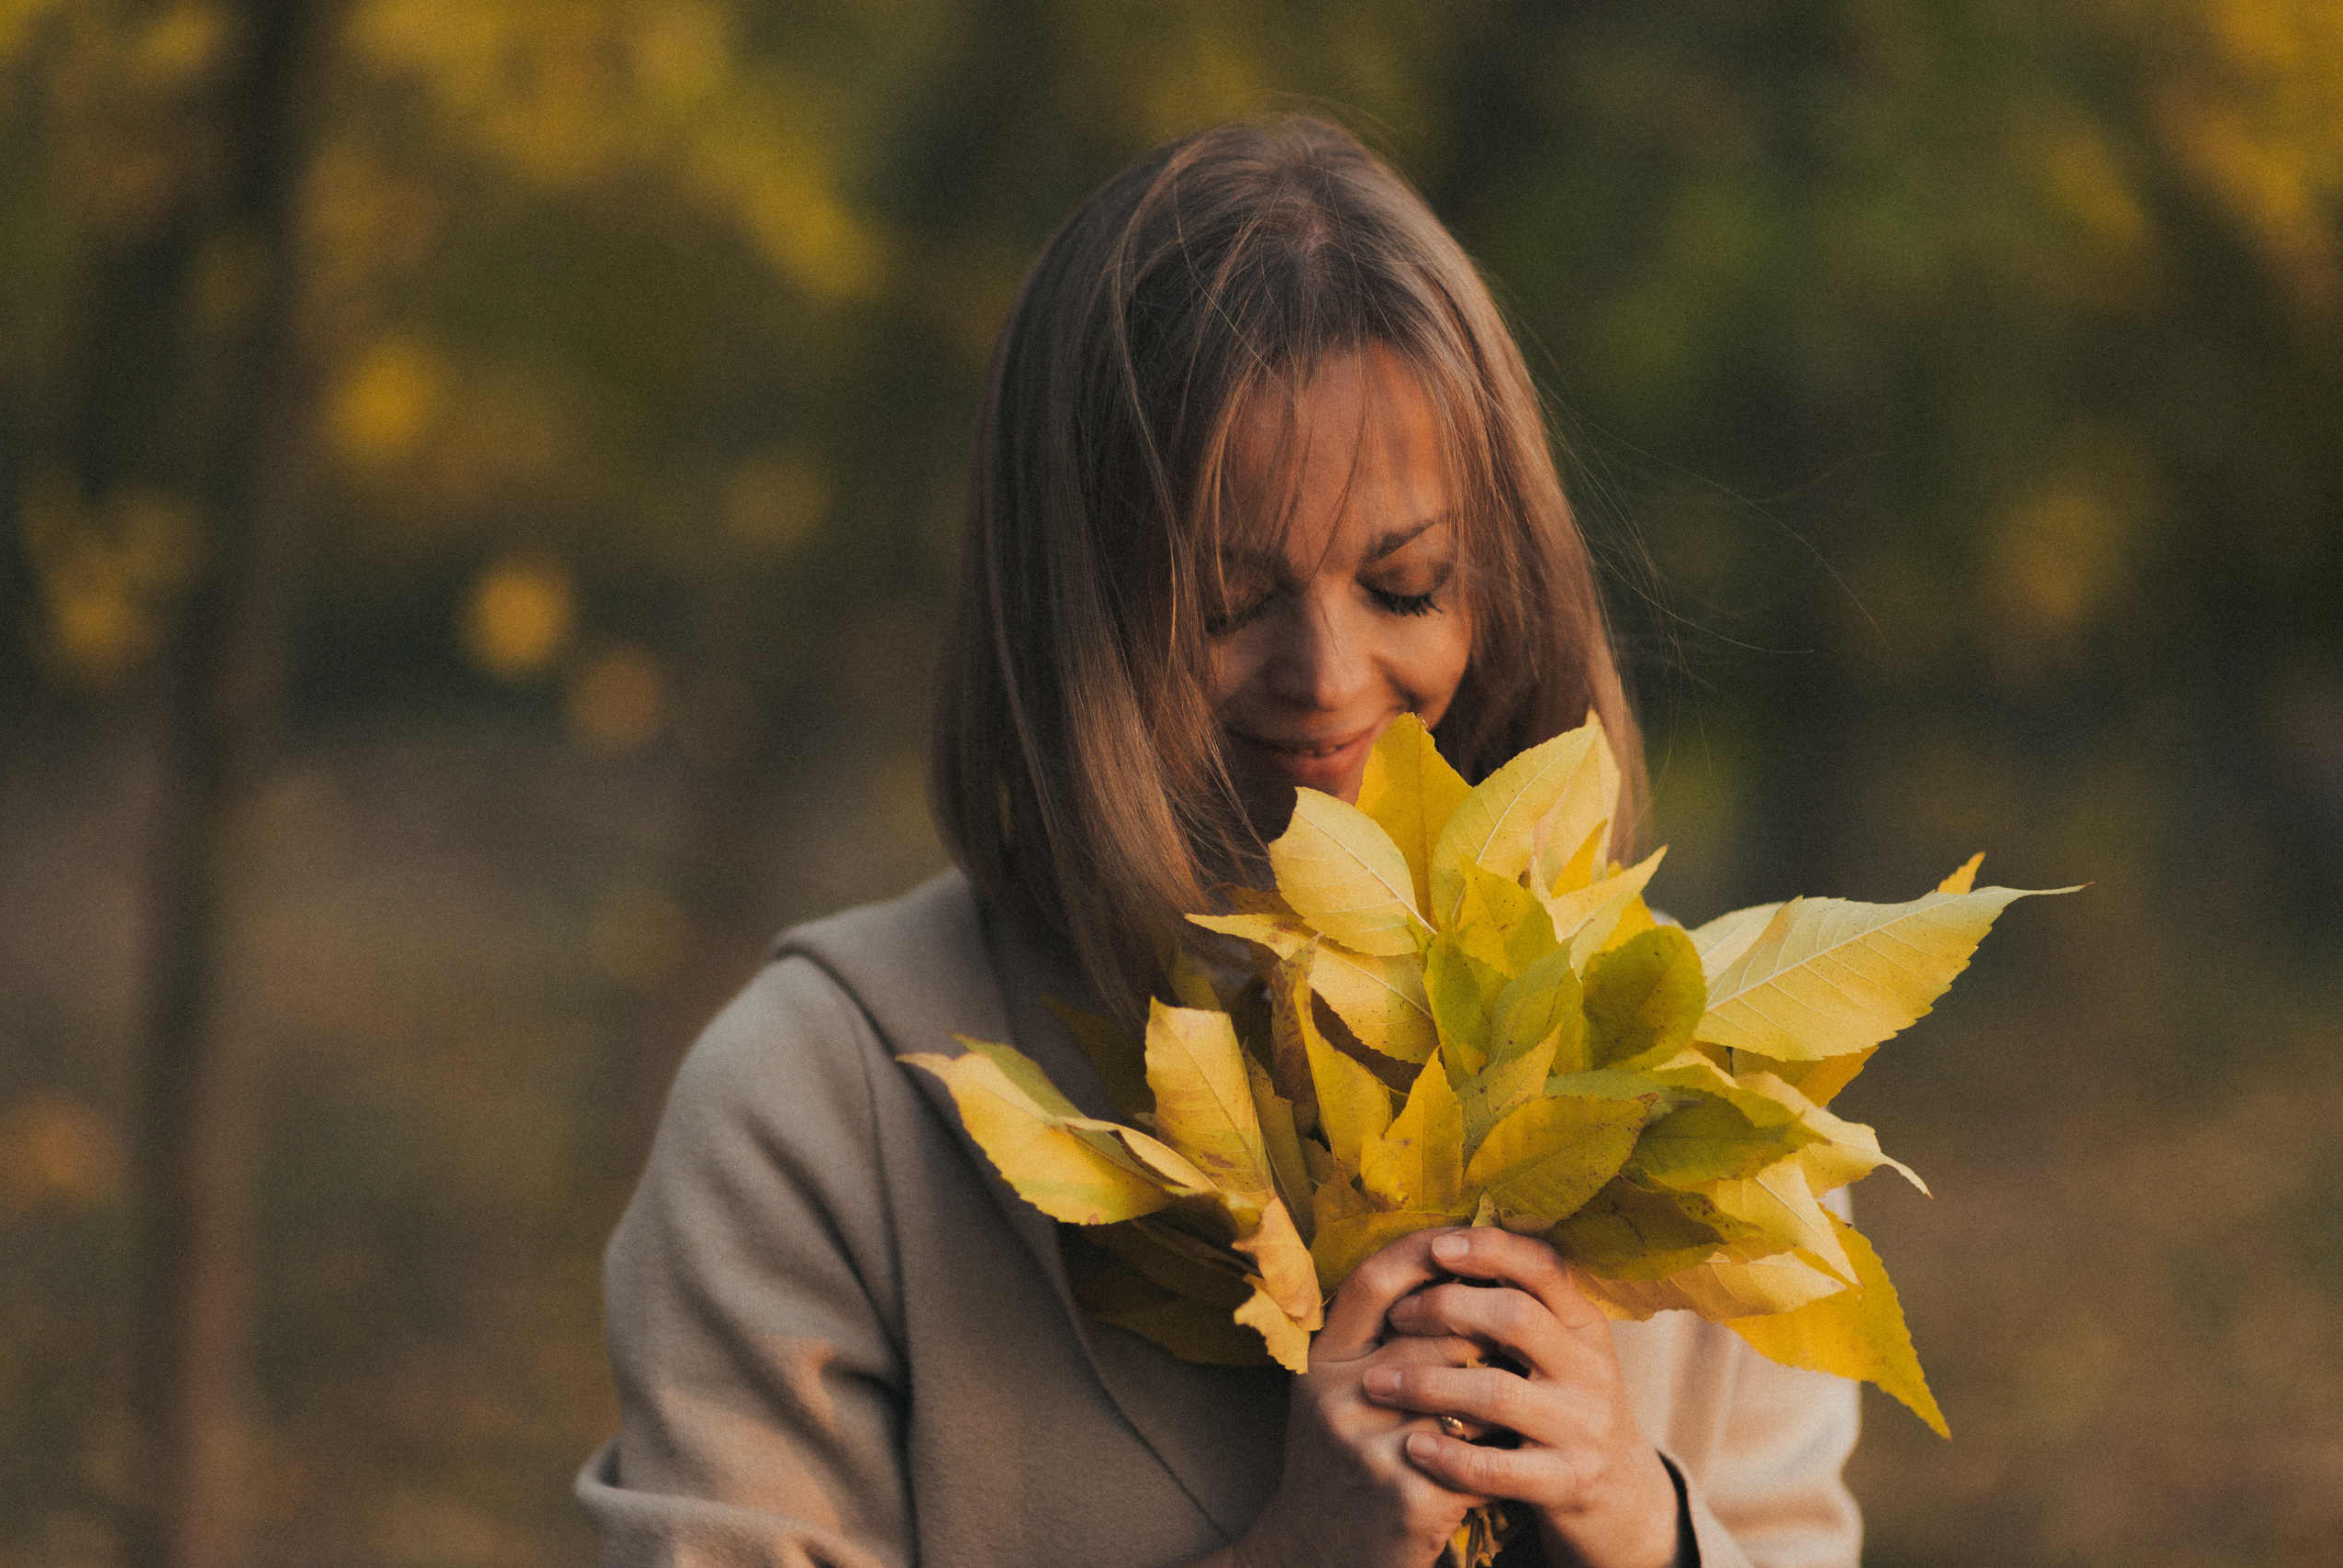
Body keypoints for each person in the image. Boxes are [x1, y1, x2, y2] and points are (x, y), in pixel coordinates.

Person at [575, 117, 1859, 1568]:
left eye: (1404, 582)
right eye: (1227, 596)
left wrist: (1641, 1527)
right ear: (1065, 618)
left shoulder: (1690, 1088)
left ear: (1499, 588)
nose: (1325, 675)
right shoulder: (820, 1110)